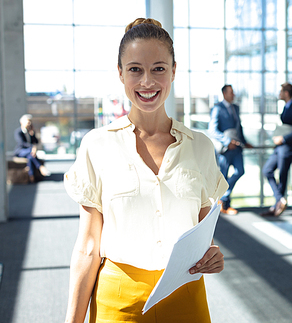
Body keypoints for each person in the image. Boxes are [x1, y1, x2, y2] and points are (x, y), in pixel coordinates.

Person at [63, 18, 229, 323]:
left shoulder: (200, 147)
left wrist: (213, 256)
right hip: (117, 299)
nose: (147, 82)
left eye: (159, 69)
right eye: (136, 69)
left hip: (186, 296)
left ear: (174, 71)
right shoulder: (96, 146)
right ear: (121, 73)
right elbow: (87, 247)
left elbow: (204, 237)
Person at [208, 84, 253, 215]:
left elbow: (239, 127)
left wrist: (244, 142)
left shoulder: (236, 108)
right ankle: (225, 205)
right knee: (223, 175)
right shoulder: (217, 108)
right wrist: (227, 142)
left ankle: (222, 199)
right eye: (231, 93)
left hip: (237, 147)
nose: (233, 95)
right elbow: (212, 130)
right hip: (225, 149)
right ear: (224, 94)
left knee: (240, 171)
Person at [261, 82, 292, 217]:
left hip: (288, 147)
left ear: (286, 93)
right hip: (280, 147)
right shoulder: (286, 107)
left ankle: (277, 205)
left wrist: (282, 138)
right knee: (267, 170)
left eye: (280, 92)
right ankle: (280, 199)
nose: (279, 94)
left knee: (282, 175)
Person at [14, 114, 51, 182]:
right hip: (20, 151)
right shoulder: (18, 132)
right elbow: (22, 143)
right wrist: (32, 148)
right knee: (30, 153)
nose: (29, 124)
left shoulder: (30, 132)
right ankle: (40, 167)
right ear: (22, 122)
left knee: (30, 157)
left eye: (30, 122)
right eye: (28, 122)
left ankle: (31, 176)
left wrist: (33, 134)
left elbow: (36, 142)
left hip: (29, 152)